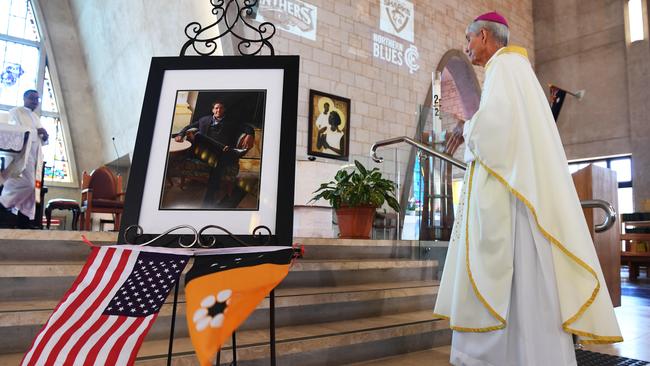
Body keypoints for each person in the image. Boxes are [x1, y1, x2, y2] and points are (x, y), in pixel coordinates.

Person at [433, 11, 622, 366]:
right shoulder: (514, 70)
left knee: (514, 284)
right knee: (526, 289)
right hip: (517, 196)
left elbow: (495, 131)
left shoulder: (504, 68)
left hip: (513, 205)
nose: (467, 47)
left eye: (469, 39)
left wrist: (467, 128)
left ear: (486, 36)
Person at [174, 100, 253, 207]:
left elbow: (247, 127)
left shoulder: (231, 122)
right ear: (213, 110)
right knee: (199, 136)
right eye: (216, 108)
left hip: (221, 155)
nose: (218, 110)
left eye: (220, 108)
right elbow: (188, 127)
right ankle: (233, 151)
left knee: (218, 165)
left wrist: (250, 134)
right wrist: (180, 134)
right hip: (206, 152)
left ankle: (208, 200)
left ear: (224, 110)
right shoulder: (204, 120)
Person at [0, 90, 48, 228]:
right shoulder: (16, 112)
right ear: (24, 98)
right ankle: (4, 203)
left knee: (33, 190)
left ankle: (24, 222)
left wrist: (45, 136)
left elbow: (41, 139)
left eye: (37, 99)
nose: (35, 101)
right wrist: (36, 131)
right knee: (27, 184)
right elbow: (16, 132)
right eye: (32, 98)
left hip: (36, 156)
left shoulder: (36, 117)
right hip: (22, 156)